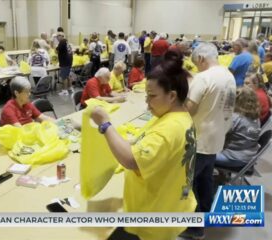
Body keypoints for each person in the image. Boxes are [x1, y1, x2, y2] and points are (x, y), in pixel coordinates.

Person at [91, 51, 196, 240]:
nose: (147, 104)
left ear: (172, 96)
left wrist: (106, 125)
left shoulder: (169, 129)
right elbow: (142, 142)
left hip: (155, 215)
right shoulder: (179, 116)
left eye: (152, 96)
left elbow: (131, 160)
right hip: (171, 202)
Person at [182, 43, 236, 239]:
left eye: (197, 63)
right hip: (216, 137)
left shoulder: (203, 77)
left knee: (190, 185)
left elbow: (190, 108)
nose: (197, 67)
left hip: (199, 139)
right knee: (205, 180)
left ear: (202, 59)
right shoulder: (228, 76)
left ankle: (195, 228)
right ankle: (206, 215)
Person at [215, 87, 261, 169]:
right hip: (248, 158)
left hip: (233, 158)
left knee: (203, 155)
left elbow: (217, 133)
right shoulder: (256, 119)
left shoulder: (236, 118)